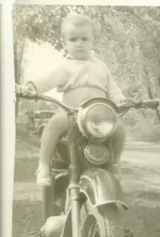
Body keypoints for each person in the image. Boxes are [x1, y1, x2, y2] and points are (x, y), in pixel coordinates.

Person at [22, 13, 128, 187]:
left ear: (93, 41)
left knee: (119, 128)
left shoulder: (101, 66)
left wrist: (120, 100)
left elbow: (113, 88)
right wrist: (32, 87)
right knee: (53, 124)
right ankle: (43, 166)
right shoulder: (64, 66)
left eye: (85, 39)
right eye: (73, 39)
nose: (79, 43)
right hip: (71, 113)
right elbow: (47, 79)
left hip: (99, 116)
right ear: (65, 43)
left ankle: (114, 162)